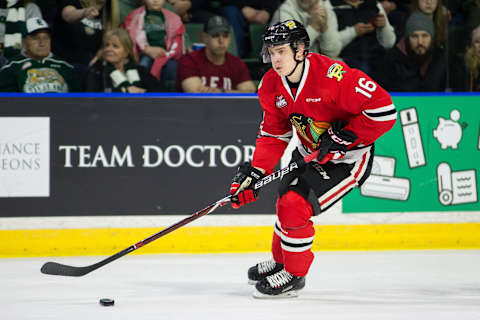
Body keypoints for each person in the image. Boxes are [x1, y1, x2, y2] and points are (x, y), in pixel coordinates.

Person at [228, 20, 396, 298]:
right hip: (309, 153)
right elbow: (273, 134)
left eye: (281, 50)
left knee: (295, 203)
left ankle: (294, 274)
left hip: (347, 160)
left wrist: (347, 135)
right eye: (271, 51)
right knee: (285, 198)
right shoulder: (271, 84)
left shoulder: (334, 77)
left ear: (300, 50)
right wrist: (256, 172)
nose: (275, 58)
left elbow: (384, 111)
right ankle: (281, 261)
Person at [175, 15, 256, 93]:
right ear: (205, 38)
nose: (221, 41)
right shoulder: (189, 60)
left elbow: (249, 92)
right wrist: (233, 92)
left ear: (230, 37)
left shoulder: (237, 63)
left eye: (225, 36)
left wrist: (220, 91)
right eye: (215, 35)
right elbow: (194, 92)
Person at [0, 17, 79, 92]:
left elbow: (77, 101)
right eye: (36, 38)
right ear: (24, 42)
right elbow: (7, 101)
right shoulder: (12, 67)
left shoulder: (65, 67)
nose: (42, 43)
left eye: (46, 38)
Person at [376, 11, 447, 91]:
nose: (420, 41)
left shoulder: (442, 59)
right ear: (407, 38)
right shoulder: (392, 59)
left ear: (432, 38)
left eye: (424, 36)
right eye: (414, 36)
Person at [124, 0, 184, 87]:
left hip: (167, 53)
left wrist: (168, 53)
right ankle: (141, 92)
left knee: (172, 67)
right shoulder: (136, 16)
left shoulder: (173, 18)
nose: (155, 1)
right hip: (145, 52)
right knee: (143, 65)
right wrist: (146, 49)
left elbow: (177, 38)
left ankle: (169, 95)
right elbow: (134, 35)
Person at [52, 0, 120, 76]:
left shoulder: (108, 9)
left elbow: (108, 41)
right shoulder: (75, 2)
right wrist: (84, 12)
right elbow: (68, 15)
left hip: (91, 69)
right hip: (64, 65)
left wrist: (99, 56)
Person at [330, 0, 396, 77]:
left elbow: (389, 43)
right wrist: (354, 32)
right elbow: (329, 47)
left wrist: (384, 26)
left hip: (374, 58)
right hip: (343, 59)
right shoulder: (331, 5)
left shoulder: (374, 4)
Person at [84, 28, 162, 92]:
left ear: (126, 52)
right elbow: (94, 93)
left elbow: (160, 92)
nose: (108, 49)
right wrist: (124, 90)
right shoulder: (97, 70)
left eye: (115, 46)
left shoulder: (140, 71)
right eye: (106, 45)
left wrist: (142, 92)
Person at [271, 0, 342, 58]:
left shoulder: (325, 9)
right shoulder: (285, 11)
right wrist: (313, 27)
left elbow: (333, 52)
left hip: (315, 63)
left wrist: (325, 29)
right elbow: (290, 52)